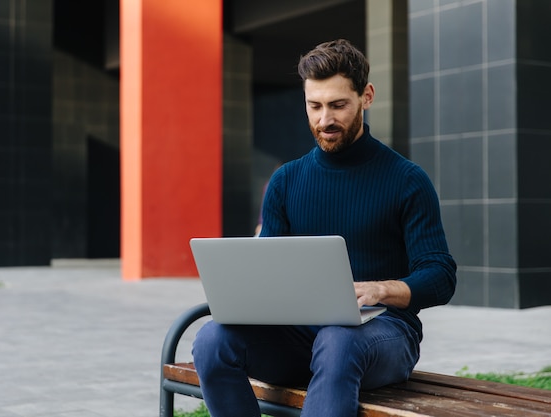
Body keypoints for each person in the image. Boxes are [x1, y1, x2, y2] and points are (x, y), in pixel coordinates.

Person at [192, 39, 457, 417]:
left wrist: (382, 288)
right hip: (299, 338)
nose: (324, 120)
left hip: (385, 334)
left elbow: (441, 275)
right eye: (313, 106)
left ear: (366, 96)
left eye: (338, 105)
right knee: (211, 339)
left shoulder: (407, 180)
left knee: (338, 339)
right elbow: (268, 270)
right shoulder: (286, 180)